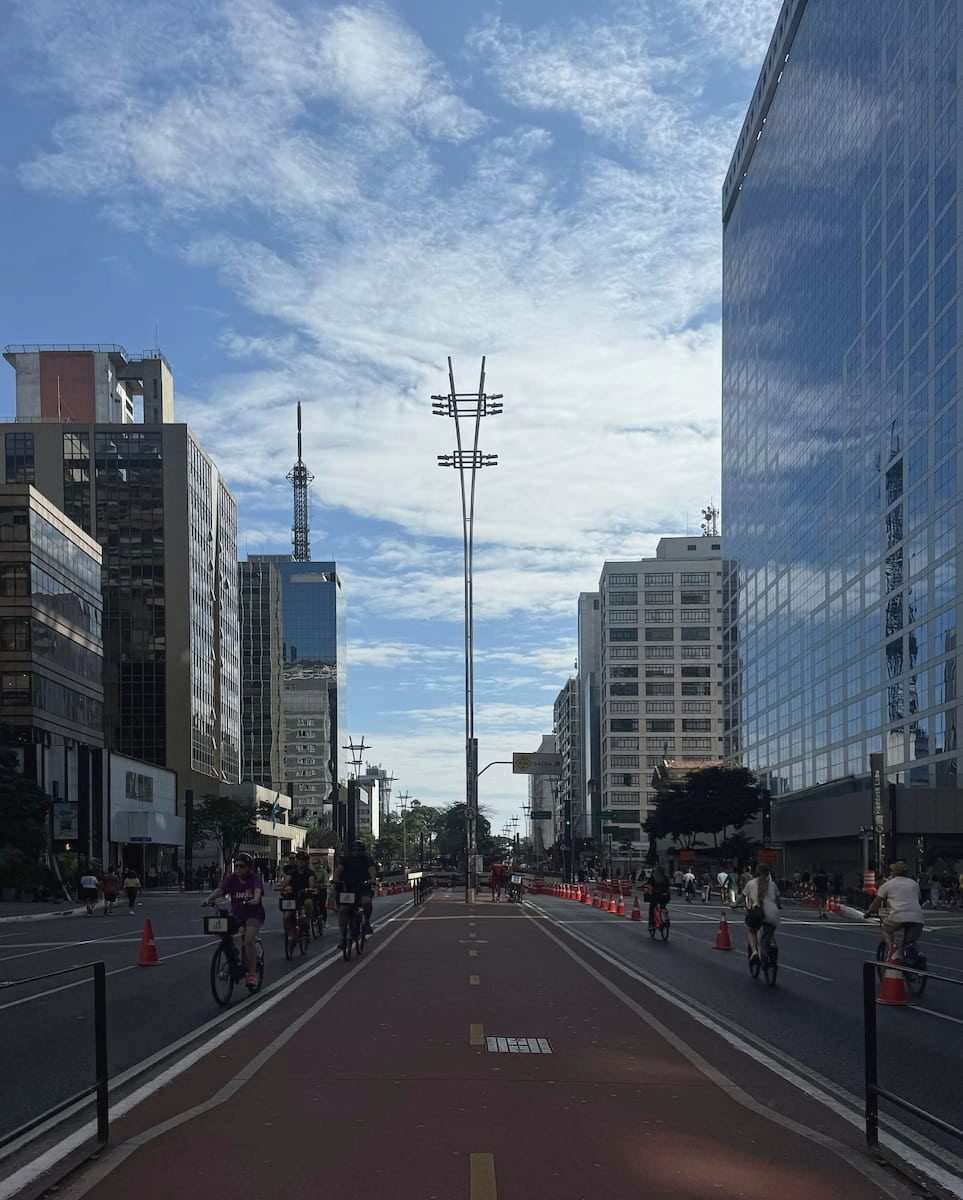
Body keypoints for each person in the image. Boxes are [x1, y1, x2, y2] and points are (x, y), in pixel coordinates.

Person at [203, 852, 266, 987]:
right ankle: (234, 961)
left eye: (241, 866)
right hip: (237, 914)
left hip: (254, 914)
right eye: (236, 866)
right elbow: (220, 890)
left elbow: (258, 890)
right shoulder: (231, 879)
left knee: (248, 939)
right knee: (224, 933)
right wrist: (208, 899)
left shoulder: (255, 878)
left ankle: (252, 973)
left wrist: (255, 899)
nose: (238, 869)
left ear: (249, 867)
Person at [864, 860, 925, 959]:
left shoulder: (887, 885)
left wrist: (868, 913)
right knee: (910, 942)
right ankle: (914, 957)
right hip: (917, 918)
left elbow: (875, 905)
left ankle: (893, 949)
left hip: (898, 916)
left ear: (894, 872)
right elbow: (918, 899)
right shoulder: (914, 884)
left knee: (886, 930)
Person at [332, 840, 377, 948]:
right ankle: (342, 937)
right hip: (348, 889)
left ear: (362, 851)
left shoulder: (367, 860)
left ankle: (366, 922)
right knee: (343, 910)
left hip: (363, 887)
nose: (356, 852)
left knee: (366, 902)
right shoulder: (346, 860)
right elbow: (338, 870)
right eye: (354, 850)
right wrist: (335, 879)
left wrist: (372, 879)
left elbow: (372, 870)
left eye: (358, 850)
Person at [742, 863, 781, 964]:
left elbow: (742, 897)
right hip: (773, 913)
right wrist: (779, 906)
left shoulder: (751, 883)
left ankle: (755, 952)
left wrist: (734, 904)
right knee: (769, 932)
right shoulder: (773, 884)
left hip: (759, 913)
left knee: (751, 930)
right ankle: (770, 945)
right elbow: (778, 900)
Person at [277, 850, 318, 940]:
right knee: (287, 916)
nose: (300, 861)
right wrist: (281, 887)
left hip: (305, 894)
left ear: (306, 861)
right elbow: (286, 881)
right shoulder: (292, 872)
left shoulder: (310, 873)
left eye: (303, 860)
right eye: (299, 859)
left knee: (308, 903)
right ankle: (292, 934)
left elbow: (311, 883)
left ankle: (307, 919)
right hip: (293, 896)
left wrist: (310, 889)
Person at [644, 865, 671, 931]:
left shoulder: (653, 878)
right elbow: (668, 887)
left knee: (652, 909)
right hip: (666, 896)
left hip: (656, 896)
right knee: (663, 906)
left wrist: (649, 893)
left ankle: (651, 924)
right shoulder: (666, 878)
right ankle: (667, 919)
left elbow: (650, 887)